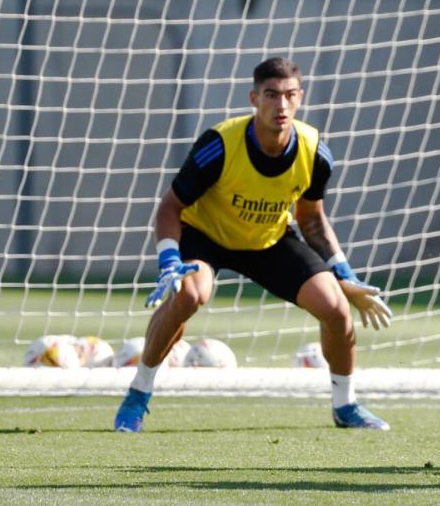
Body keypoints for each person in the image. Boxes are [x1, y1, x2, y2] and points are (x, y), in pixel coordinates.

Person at [114, 58, 394, 432]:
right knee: (189, 295)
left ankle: (346, 406)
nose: (281, 105)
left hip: (268, 241)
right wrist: (169, 260)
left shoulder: (314, 151)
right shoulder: (220, 145)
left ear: (300, 98)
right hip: (207, 237)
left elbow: (310, 217)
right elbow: (170, 207)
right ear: (254, 98)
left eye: (289, 95)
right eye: (271, 95)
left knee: (336, 309)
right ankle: (138, 395)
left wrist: (343, 272)